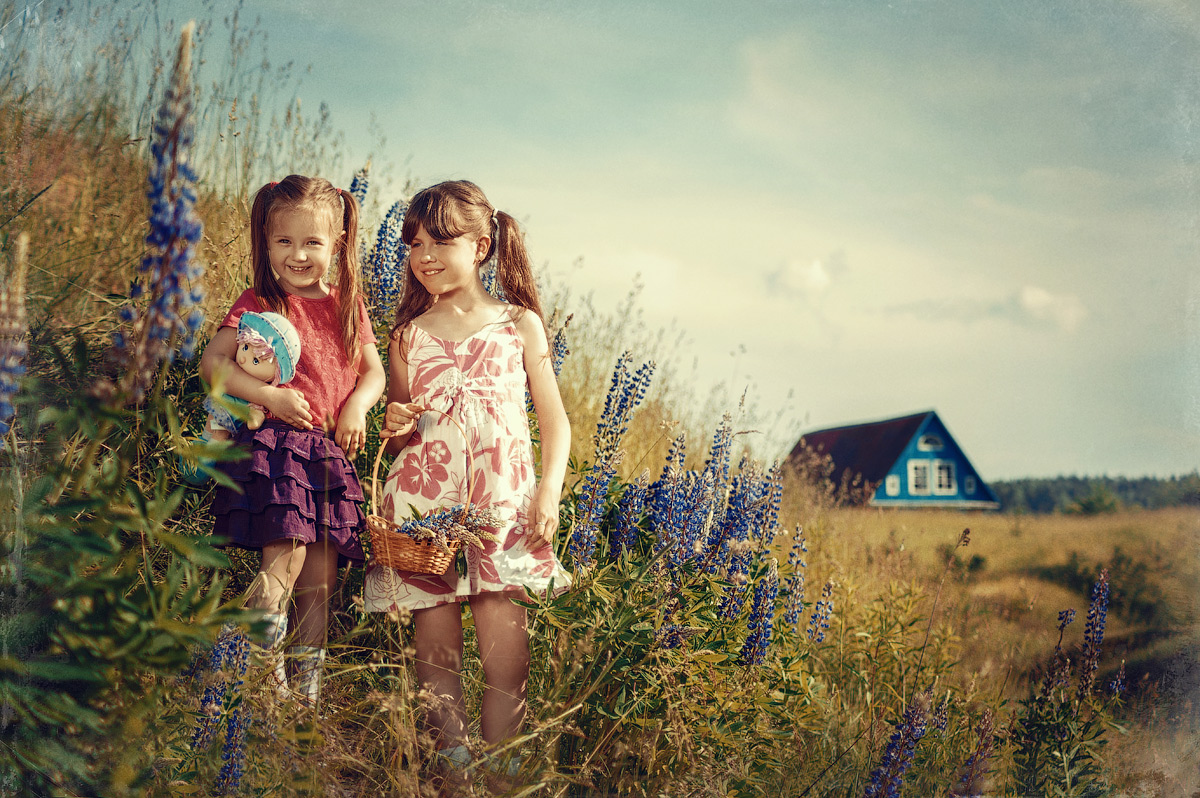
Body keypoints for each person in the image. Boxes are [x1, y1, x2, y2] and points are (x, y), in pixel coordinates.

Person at [363, 180, 572, 785]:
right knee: (437, 654)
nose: (423, 254)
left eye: (440, 240)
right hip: (424, 509)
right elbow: (398, 430)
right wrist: (395, 424)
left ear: (481, 245)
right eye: (413, 243)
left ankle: (501, 771)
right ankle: (454, 773)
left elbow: (553, 421)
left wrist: (549, 493)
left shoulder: (518, 323)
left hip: (501, 503)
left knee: (507, 652)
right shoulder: (408, 334)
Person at [200, 175, 385, 706]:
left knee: (320, 579)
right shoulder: (261, 300)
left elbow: (372, 372)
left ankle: (305, 692)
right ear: (266, 242)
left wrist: (356, 406)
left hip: (327, 455)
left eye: (313, 243)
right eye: (284, 241)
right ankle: (256, 669)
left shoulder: (347, 302)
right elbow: (213, 364)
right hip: (279, 450)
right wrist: (270, 395)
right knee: (284, 560)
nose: (298, 254)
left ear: (338, 245)